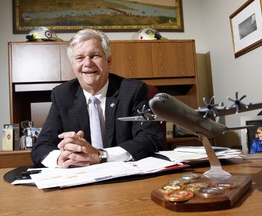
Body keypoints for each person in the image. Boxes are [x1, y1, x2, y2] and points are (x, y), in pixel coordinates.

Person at [31, 29, 163, 168]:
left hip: (124, 175)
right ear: (73, 65)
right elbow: (41, 147)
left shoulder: (133, 91)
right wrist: (61, 158)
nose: (88, 63)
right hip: (81, 179)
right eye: (79, 58)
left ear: (108, 60)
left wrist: (100, 155)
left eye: (95, 55)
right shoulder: (62, 95)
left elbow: (150, 138)